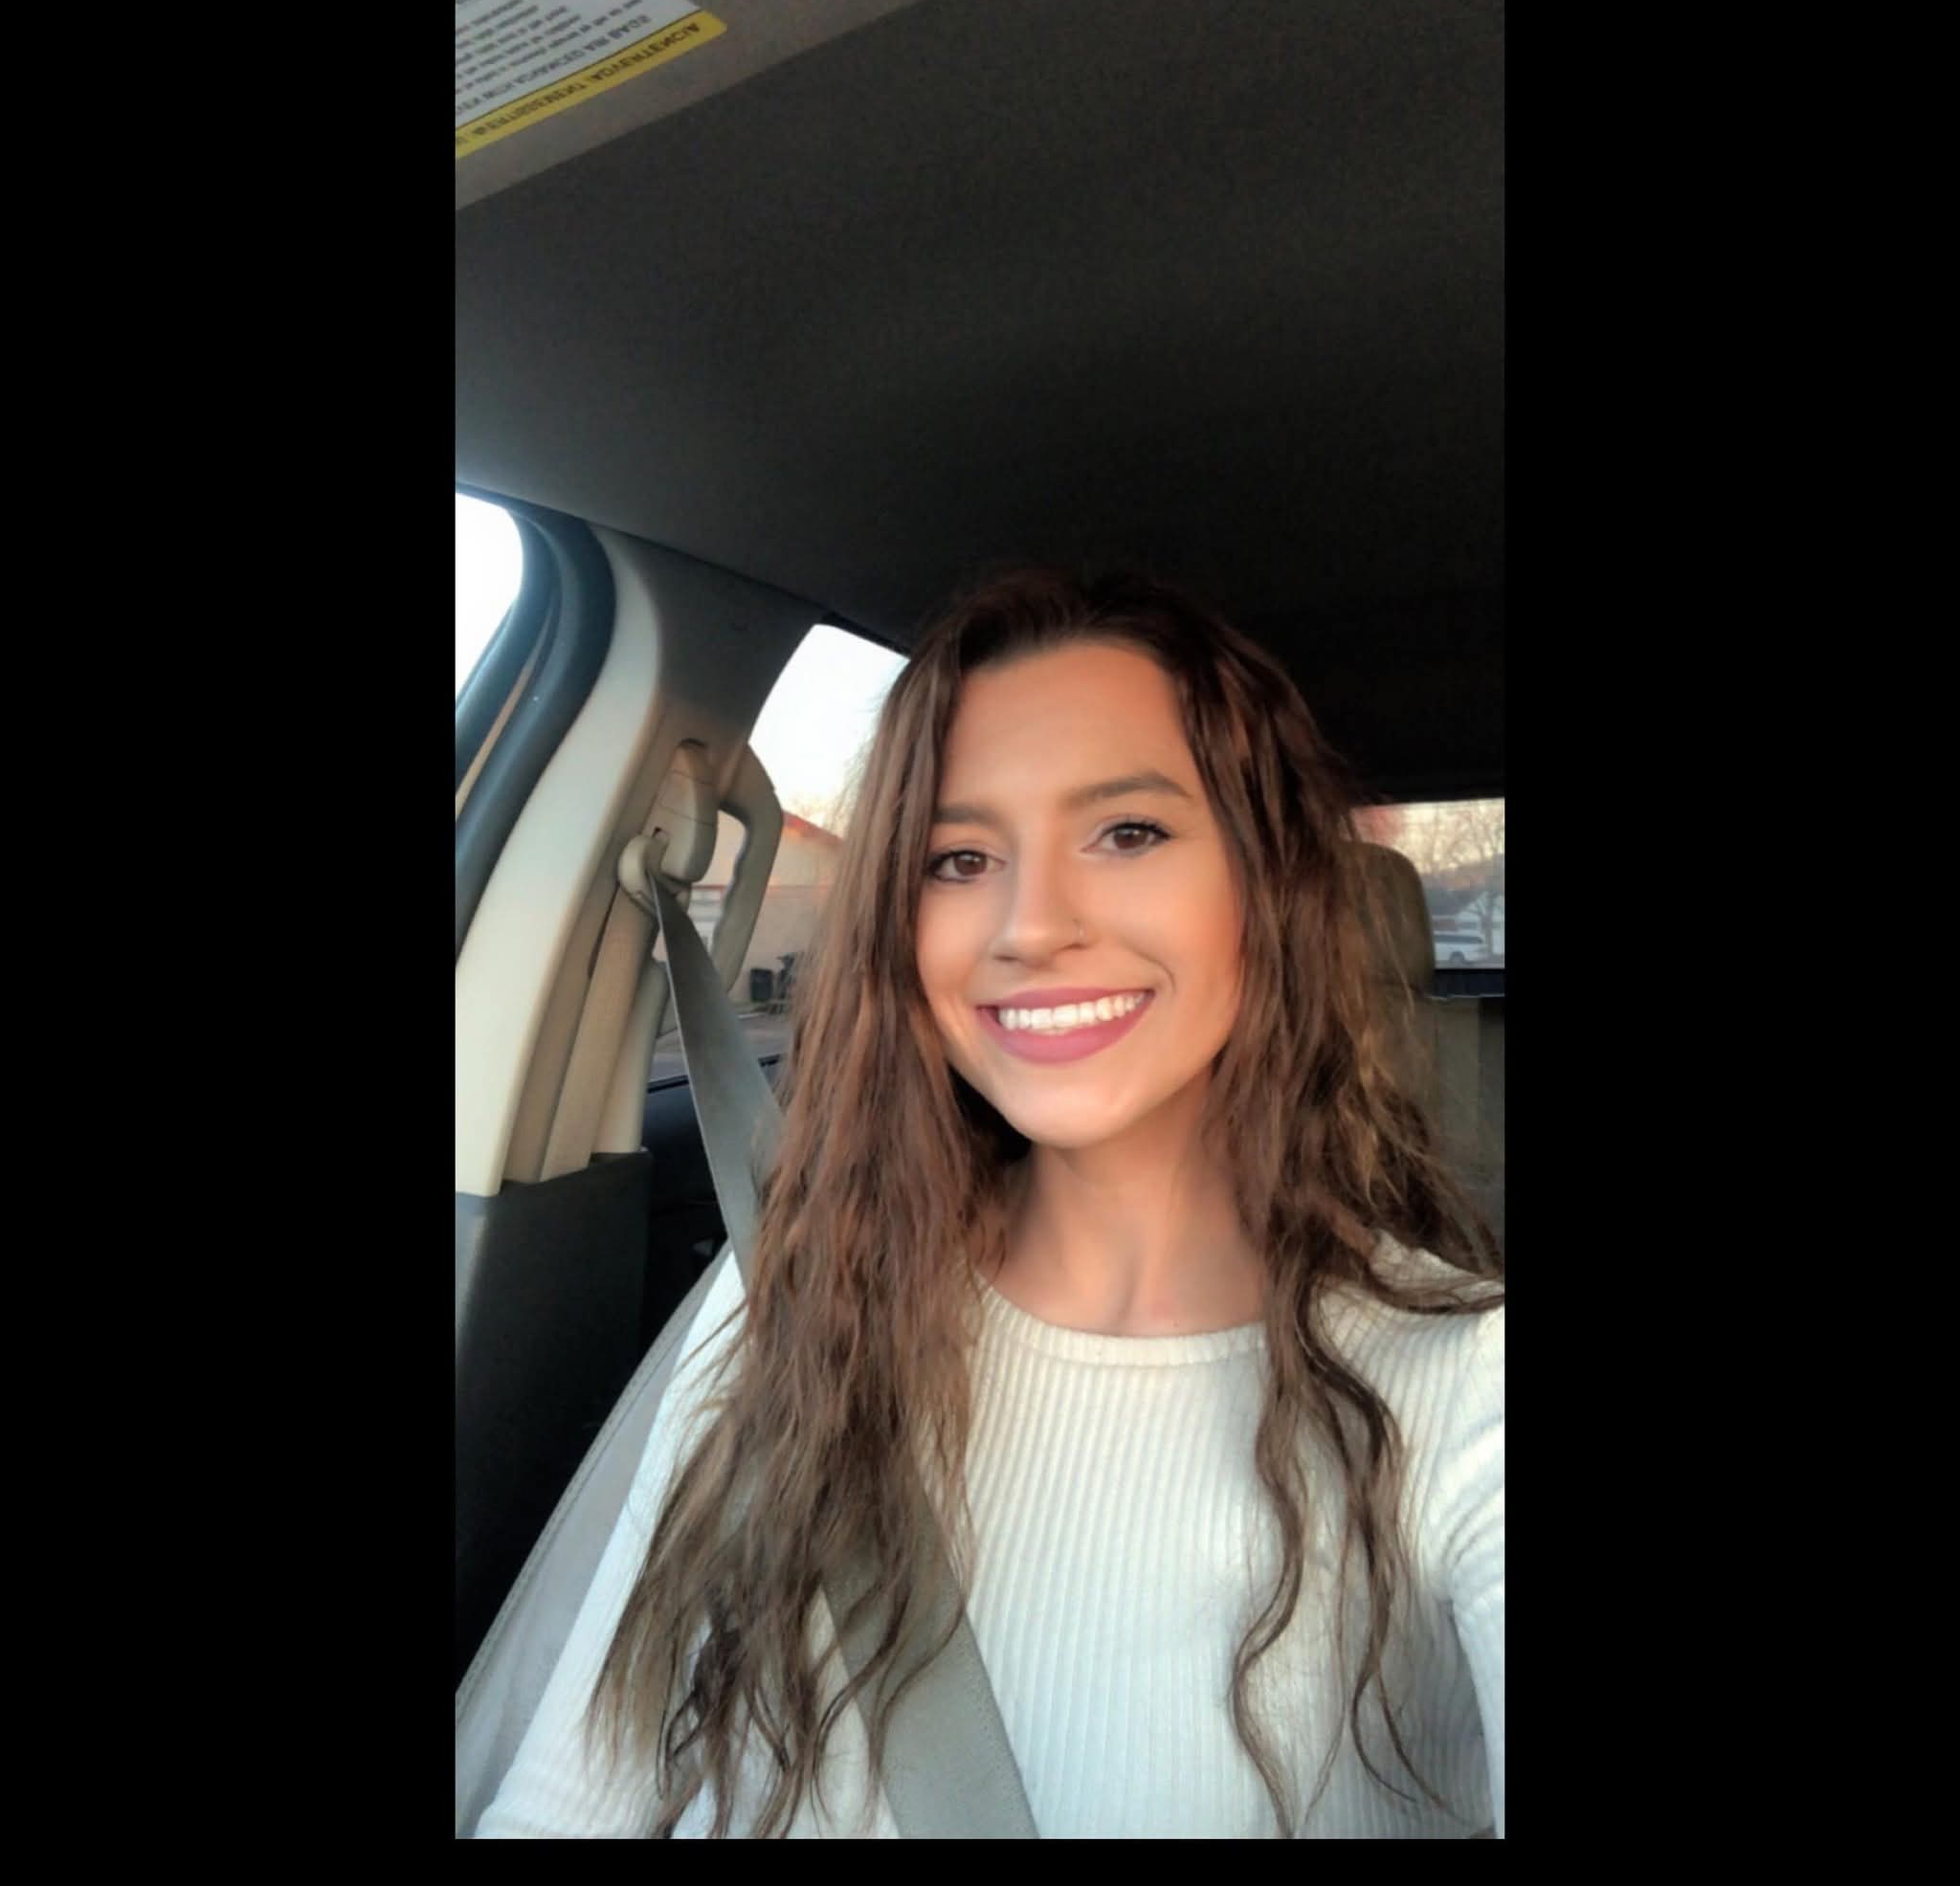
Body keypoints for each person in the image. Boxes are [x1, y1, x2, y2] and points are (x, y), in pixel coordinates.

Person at [475, 566, 1504, 1839]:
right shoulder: (801, 1278)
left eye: (1128, 833)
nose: (1029, 926)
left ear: (1270, 882)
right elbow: (574, 1794)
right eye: (959, 859)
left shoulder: (1466, 1387)